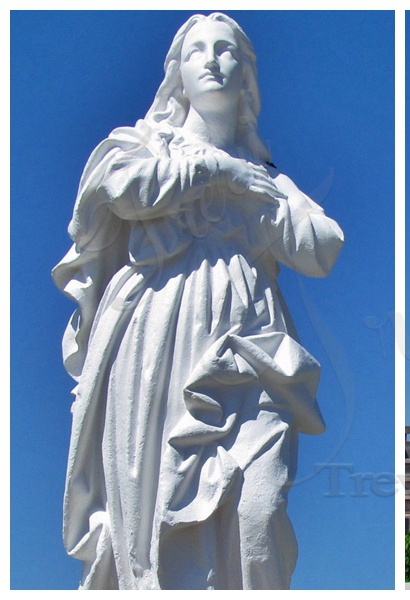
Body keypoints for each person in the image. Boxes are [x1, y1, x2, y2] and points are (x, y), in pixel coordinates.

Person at [52, 13, 343, 589]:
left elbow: (324, 247)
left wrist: (263, 199)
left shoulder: (266, 175)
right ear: (178, 75)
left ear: (246, 77)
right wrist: (216, 171)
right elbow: (119, 190)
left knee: (260, 509)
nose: (213, 60)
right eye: (198, 51)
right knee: (156, 506)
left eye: (227, 50)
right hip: (160, 331)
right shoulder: (140, 145)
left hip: (252, 345)